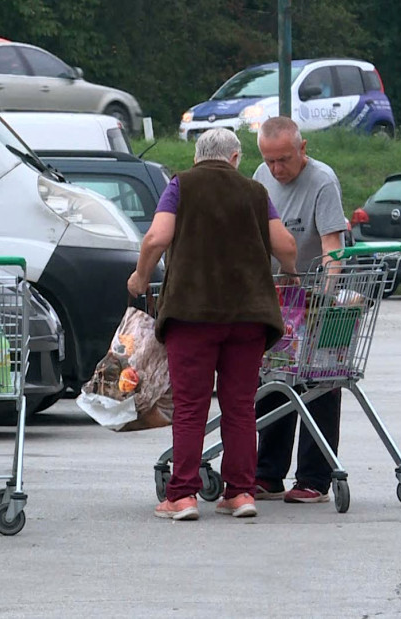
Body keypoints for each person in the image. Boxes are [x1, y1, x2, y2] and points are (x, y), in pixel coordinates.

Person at [127, 128, 297, 520]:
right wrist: (289, 273)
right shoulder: (255, 192)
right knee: (240, 407)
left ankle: (183, 496)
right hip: (249, 317)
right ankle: (240, 493)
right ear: (236, 159)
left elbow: (156, 238)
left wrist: (139, 278)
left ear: (196, 158)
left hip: (193, 315)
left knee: (191, 407)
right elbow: (286, 246)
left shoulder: (181, 185)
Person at [253, 116, 348, 504]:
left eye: (284, 160)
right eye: (270, 160)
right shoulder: (260, 176)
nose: (277, 169)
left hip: (311, 296)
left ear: (302, 149)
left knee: (318, 385)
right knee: (273, 380)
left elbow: (332, 246)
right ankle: (268, 473)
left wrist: (324, 297)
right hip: (276, 298)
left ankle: (314, 478)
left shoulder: (323, 181)